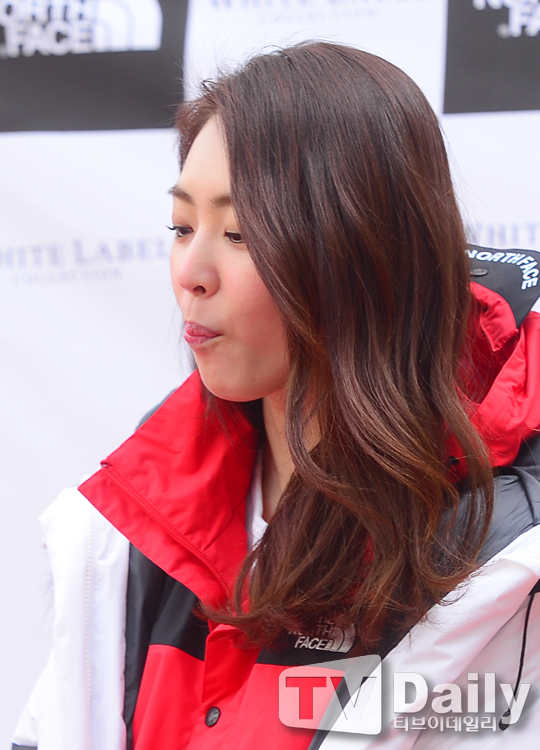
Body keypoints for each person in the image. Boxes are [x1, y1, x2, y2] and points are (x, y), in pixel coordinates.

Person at [12, 42, 540, 750]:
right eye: (181, 227)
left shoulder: (503, 554)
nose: (191, 272)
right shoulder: (140, 517)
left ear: (366, 255)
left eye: (238, 234)